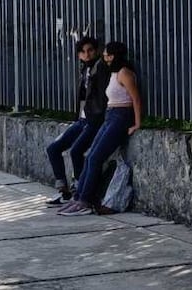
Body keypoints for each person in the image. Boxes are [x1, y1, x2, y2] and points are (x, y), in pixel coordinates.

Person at [58, 41, 142, 216]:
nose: (105, 58)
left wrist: (137, 123)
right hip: (110, 115)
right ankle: (78, 198)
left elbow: (136, 99)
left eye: (108, 55)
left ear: (115, 56)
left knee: (96, 158)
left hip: (121, 116)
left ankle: (85, 201)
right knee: (90, 157)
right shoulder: (114, 73)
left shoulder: (125, 73)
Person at [43, 36, 109, 205]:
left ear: (96, 51)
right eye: (83, 52)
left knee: (76, 151)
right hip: (82, 120)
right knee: (53, 149)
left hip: (94, 120)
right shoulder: (84, 69)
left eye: (90, 50)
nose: (87, 54)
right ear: (79, 55)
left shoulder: (100, 68)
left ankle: (78, 192)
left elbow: (103, 97)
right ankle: (63, 191)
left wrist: (97, 118)